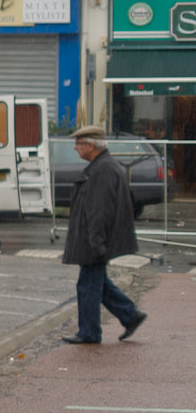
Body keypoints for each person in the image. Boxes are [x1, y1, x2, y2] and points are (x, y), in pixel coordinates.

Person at [62, 126, 147, 344]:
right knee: (98, 283)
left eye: (78, 143)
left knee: (89, 285)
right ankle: (130, 315)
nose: (75, 147)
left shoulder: (102, 170)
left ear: (90, 145)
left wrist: (97, 242)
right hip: (96, 240)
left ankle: (89, 332)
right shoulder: (102, 167)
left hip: (95, 242)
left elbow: (100, 210)